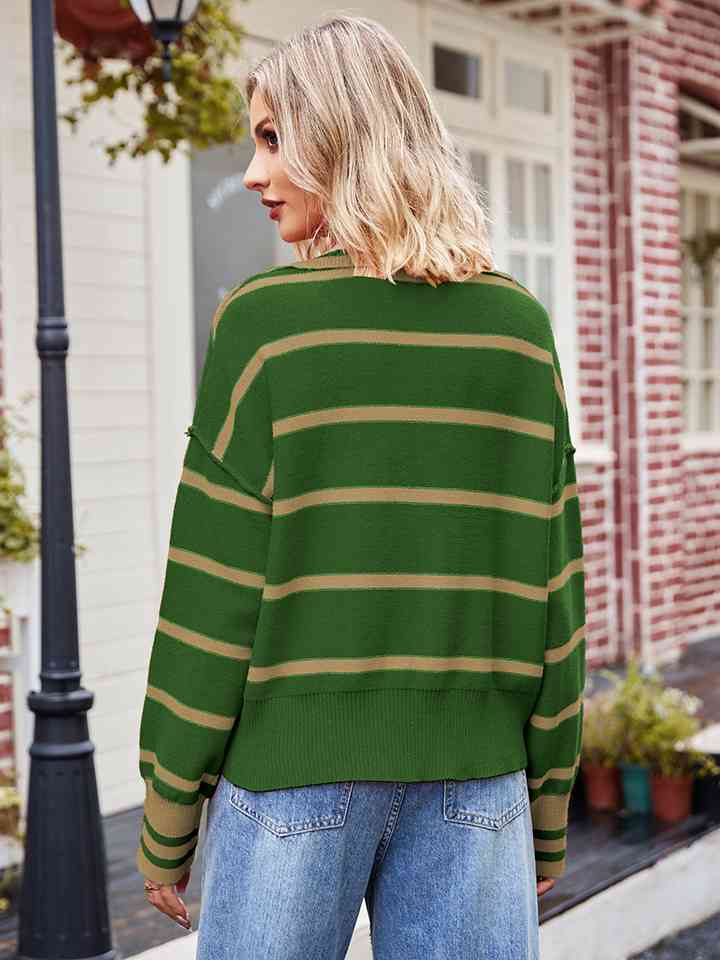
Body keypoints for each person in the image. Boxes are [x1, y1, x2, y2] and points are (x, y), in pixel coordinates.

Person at [137, 13, 586, 959]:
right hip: (479, 788)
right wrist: (547, 807)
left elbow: (210, 598)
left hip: (291, 786)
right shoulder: (519, 331)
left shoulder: (264, 327)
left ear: (340, 137)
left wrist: (169, 812)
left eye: (272, 139)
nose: (252, 173)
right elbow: (557, 598)